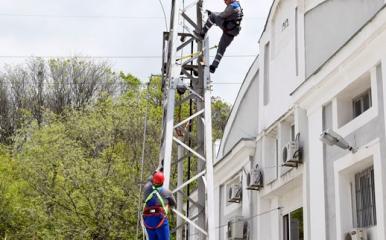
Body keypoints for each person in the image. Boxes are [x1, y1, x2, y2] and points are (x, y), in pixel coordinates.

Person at [194, 0, 243, 73]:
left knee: (212, 17)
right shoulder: (237, 6)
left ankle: (202, 33)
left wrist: (213, 14)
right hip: (232, 32)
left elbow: (222, 15)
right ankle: (213, 67)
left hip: (228, 27)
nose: (224, 2)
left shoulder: (233, 6)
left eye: (225, 0)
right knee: (221, 48)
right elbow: (225, 15)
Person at [142, 171, 176, 240]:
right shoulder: (166, 192)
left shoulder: (146, 188)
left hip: (148, 221)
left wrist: (154, 173)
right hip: (160, 221)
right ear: (162, 182)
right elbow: (174, 203)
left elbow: (149, 180)